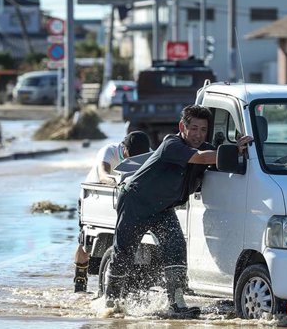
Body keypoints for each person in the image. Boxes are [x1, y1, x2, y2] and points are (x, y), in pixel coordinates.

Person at [104, 105, 252, 314]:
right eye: (194, 128)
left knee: (176, 248)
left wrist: (242, 152)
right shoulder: (171, 145)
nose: (198, 134)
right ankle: (110, 304)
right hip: (136, 202)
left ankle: (176, 304)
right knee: (124, 255)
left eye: (203, 129)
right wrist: (233, 149)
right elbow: (201, 158)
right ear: (182, 126)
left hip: (163, 208)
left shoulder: (205, 148)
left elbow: (216, 160)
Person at [73, 131, 151, 293]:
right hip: (94, 197)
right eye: (131, 156)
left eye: (138, 156)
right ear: (124, 148)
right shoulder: (109, 151)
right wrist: (117, 181)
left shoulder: (148, 154)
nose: (133, 160)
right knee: (84, 243)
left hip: (127, 199)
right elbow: (103, 174)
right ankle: (80, 278)